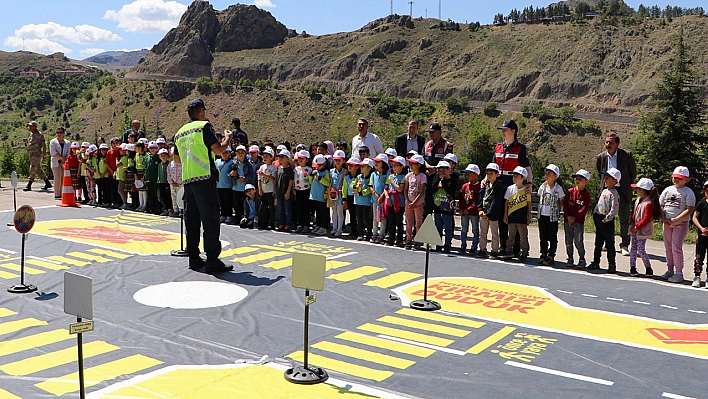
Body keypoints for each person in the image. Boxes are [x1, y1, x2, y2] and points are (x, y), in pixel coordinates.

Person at [173, 98, 233, 273]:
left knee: (192, 221)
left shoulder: (179, 132)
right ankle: (212, 259)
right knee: (211, 220)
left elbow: (176, 159)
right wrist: (228, 138)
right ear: (200, 111)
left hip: (188, 181)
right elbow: (218, 150)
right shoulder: (203, 126)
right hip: (205, 178)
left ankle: (194, 257)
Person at [492, 120, 532, 256]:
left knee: (516, 216)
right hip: (499, 184)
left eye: (505, 129)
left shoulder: (520, 148)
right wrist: (486, 180)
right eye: (502, 130)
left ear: (513, 131)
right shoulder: (497, 147)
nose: (503, 132)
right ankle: (504, 246)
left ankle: (516, 247)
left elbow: (527, 168)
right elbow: (493, 166)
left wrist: (529, 184)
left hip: (514, 184)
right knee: (502, 217)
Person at [596, 133, 637, 256]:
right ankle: (608, 243)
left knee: (624, 219)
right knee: (606, 218)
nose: (608, 145)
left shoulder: (626, 155)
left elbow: (632, 172)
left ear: (617, 144)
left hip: (622, 191)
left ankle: (624, 244)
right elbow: (600, 173)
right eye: (607, 142)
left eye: (611, 142)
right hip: (607, 191)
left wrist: (624, 184)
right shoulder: (601, 157)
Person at [659, 166, 696, 283]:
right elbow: (661, 205)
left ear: (686, 179)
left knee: (676, 248)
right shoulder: (668, 189)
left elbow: (689, 209)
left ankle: (679, 272)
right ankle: (670, 269)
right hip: (667, 223)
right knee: (668, 247)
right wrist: (663, 218)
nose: (676, 180)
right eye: (674, 177)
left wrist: (676, 219)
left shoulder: (688, 192)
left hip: (680, 224)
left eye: (680, 178)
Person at [587, 168, 621, 273]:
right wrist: (596, 214)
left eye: (608, 177)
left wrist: (607, 218)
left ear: (615, 180)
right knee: (598, 242)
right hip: (599, 217)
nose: (605, 179)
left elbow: (614, 209)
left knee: (609, 243)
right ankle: (596, 261)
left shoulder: (614, 193)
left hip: (607, 221)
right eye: (605, 177)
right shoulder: (604, 190)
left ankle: (612, 264)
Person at [630, 178, 660, 278]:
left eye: (638, 188)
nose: (636, 190)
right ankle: (632, 267)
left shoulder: (649, 203)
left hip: (642, 230)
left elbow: (646, 219)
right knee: (633, 248)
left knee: (640, 249)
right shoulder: (638, 200)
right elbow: (633, 212)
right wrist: (631, 223)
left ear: (643, 190)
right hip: (634, 228)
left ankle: (648, 268)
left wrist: (637, 226)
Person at [423, 122, 454, 217]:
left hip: (442, 181)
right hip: (428, 180)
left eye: (433, 132)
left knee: (442, 209)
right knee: (427, 208)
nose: (431, 134)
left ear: (439, 132)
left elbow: (449, 162)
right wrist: (428, 166)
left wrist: (436, 170)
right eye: (430, 132)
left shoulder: (447, 145)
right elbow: (422, 159)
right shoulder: (426, 145)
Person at [537, 164, 565, 266]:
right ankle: (543, 253)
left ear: (555, 176)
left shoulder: (558, 189)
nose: (547, 175)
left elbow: (561, 201)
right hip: (542, 215)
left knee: (552, 236)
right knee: (543, 236)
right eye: (546, 173)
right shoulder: (542, 186)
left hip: (552, 216)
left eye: (550, 173)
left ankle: (551, 254)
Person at [502, 166, 531, 262]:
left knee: (523, 236)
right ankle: (508, 250)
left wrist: (529, 216)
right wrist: (505, 215)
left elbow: (528, 204)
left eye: (517, 176)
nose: (514, 178)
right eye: (513, 176)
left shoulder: (526, 190)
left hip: (522, 217)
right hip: (511, 215)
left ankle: (524, 252)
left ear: (523, 178)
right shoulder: (510, 188)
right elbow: (506, 202)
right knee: (511, 235)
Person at [563, 169, 592, 268]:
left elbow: (584, 209)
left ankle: (582, 259)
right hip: (568, 221)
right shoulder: (570, 191)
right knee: (568, 241)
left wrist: (574, 218)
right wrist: (568, 216)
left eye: (580, 178)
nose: (577, 180)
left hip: (578, 222)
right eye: (576, 178)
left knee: (578, 242)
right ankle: (570, 258)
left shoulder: (586, 195)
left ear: (586, 181)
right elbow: (565, 205)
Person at [477, 163, 505, 258]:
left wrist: (489, 214)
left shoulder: (499, 186)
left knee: (494, 233)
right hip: (483, 212)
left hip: (493, 214)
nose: (489, 175)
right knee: (483, 233)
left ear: (497, 174)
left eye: (491, 173)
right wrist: (480, 209)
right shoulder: (485, 185)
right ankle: (482, 249)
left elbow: (496, 201)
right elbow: (481, 197)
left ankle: (494, 250)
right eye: (488, 173)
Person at [431, 160, 457, 253]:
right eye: (440, 170)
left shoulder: (452, 180)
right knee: (438, 227)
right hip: (438, 206)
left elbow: (451, 191)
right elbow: (433, 188)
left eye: (444, 170)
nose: (442, 172)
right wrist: (438, 179)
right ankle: (438, 244)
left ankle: (447, 245)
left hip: (447, 208)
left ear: (449, 170)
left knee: (448, 228)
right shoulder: (436, 178)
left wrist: (444, 181)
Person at [404, 154, 426, 250]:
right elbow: (405, 189)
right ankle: (408, 240)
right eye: (410, 163)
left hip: (418, 203)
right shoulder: (408, 176)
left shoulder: (422, 176)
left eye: (413, 164)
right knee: (409, 222)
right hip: (409, 202)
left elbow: (421, 191)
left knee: (418, 222)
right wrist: (408, 201)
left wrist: (415, 202)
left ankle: (418, 240)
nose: (411, 165)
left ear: (419, 165)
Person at [23, 121, 52, 191]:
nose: (29, 127)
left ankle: (29, 184)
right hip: (32, 154)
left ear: (34, 127)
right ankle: (47, 182)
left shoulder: (39, 134)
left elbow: (43, 145)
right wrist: (26, 142)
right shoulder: (31, 135)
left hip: (36, 154)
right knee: (37, 169)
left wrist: (44, 155)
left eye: (30, 126)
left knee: (33, 167)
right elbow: (32, 144)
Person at [459, 164, 481, 255]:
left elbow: (477, 201)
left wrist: (469, 209)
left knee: (475, 229)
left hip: (474, 213)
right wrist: (460, 208)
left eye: (469, 174)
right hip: (464, 212)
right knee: (464, 229)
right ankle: (463, 245)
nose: (467, 176)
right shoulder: (464, 186)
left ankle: (474, 246)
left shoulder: (479, 187)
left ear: (476, 175)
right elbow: (461, 198)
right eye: (466, 174)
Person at [385, 156, 406, 247]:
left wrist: (392, 182)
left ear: (402, 166)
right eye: (393, 165)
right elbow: (386, 188)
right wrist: (387, 197)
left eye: (396, 165)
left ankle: (400, 239)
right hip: (391, 201)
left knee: (399, 221)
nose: (394, 167)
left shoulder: (403, 177)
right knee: (391, 221)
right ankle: (391, 238)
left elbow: (400, 189)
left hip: (399, 202)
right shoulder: (390, 176)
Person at [370, 154, 390, 243]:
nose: (376, 163)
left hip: (383, 200)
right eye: (375, 161)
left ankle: (381, 234)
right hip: (375, 199)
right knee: (375, 217)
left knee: (382, 217)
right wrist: (375, 194)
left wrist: (381, 196)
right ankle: (374, 233)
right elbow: (370, 186)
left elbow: (387, 185)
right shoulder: (373, 174)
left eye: (378, 162)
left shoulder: (387, 173)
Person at [310, 154, 331, 235]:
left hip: (322, 196)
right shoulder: (316, 172)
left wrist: (320, 178)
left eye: (319, 165)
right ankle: (318, 225)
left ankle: (324, 226)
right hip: (314, 195)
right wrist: (311, 176)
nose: (317, 167)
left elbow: (327, 183)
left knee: (323, 212)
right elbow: (311, 182)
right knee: (317, 212)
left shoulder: (326, 173)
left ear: (324, 164)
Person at [692, 180, 708, 287]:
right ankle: (697, 276)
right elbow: (694, 217)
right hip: (702, 235)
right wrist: (702, 228)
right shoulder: (701, 203)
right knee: (699, 256)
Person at [354, 158, 375, 241]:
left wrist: (362, 193)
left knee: (366, 218)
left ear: (369, 168)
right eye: (361, 166)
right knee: (359, 218)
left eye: (364, 166)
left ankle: (369, 232)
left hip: (366, 201)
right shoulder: (359, 176)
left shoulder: (370, 177)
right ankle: (360, 233)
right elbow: (353, 183)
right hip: (357, 200)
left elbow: (369, 188)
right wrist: (355, 187)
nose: (361, 168)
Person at [49, 127, 71, 200]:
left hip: (64, 162)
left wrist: (64, 160)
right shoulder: (53, 142)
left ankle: (62, 193)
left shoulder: (67, 143)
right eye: (57, 132)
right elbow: (53, 153)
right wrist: (61, 158)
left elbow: (68, 153)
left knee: (63, 178)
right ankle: (57, 194)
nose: (59, 134)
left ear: (64, 133)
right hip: (55, 162)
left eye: (60, 132)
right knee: (57, 178)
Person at [257, 147, 277, 229]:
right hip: (263, 190)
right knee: (263, 207)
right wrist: (260, 189)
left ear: (271, 157)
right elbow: (259, 179)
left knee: (271, 207)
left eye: (266, 156)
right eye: (263, 156)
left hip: (270, 190)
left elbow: (273, 178)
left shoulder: (273, 167)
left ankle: (271, 222)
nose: (264, 158)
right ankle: (263, 222)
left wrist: (264, 175)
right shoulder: (262, 167)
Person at [275, 150, 295, 232]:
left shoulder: (289, 170)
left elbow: (291, 181)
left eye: (282, 157)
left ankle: (288, 224)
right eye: (279, 157)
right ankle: (282, 223)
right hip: (279, 192)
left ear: (287, 158)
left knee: (287, 210)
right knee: (281, 209)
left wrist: (288, 192)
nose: (280, 159)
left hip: (286, 193)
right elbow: (277, 180)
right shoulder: (279, 168)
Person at [293, 150, 312, 233]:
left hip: (306, 190)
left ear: (307, 160)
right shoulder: (296, 169)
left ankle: (306, 225)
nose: (300, 160)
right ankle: (299, 224)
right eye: (299, 158)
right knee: (299, 208)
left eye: (302, 158)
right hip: (298, 190)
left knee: (306, 208)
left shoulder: (309, 169)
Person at [329, 150, 347, 237]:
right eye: (336, 160)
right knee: (333, 211)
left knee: (340, 212)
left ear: (343, 161)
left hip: (340, 194)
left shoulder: (345, 172)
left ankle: (339, 229)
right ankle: (334, 227)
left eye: (339, 160)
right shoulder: (331, 171)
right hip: (333, 194)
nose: (337, 162)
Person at [167, 147, 183, 217]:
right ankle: (175, 209)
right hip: (173, 184)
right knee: (174, 197)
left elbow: (184, 172)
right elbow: (168, 173)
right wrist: (171, 182)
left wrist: (180, 182)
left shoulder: (182, 163)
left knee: (180, 196)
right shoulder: (170, 164)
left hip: (180, 184)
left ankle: (180, 210)